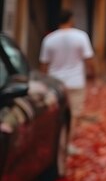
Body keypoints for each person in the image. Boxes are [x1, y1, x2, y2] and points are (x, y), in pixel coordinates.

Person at [39, 9, 96, 148]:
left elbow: (44, 64)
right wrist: (93, 74)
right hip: (75, 82)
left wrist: (44, 81)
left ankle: (56, 143)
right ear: (71, 20)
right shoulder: (81, 36)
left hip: (56, 83)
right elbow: (89, 59)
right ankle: (67, 144)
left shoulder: (49, 39)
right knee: (74, 114)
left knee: (56, 115)